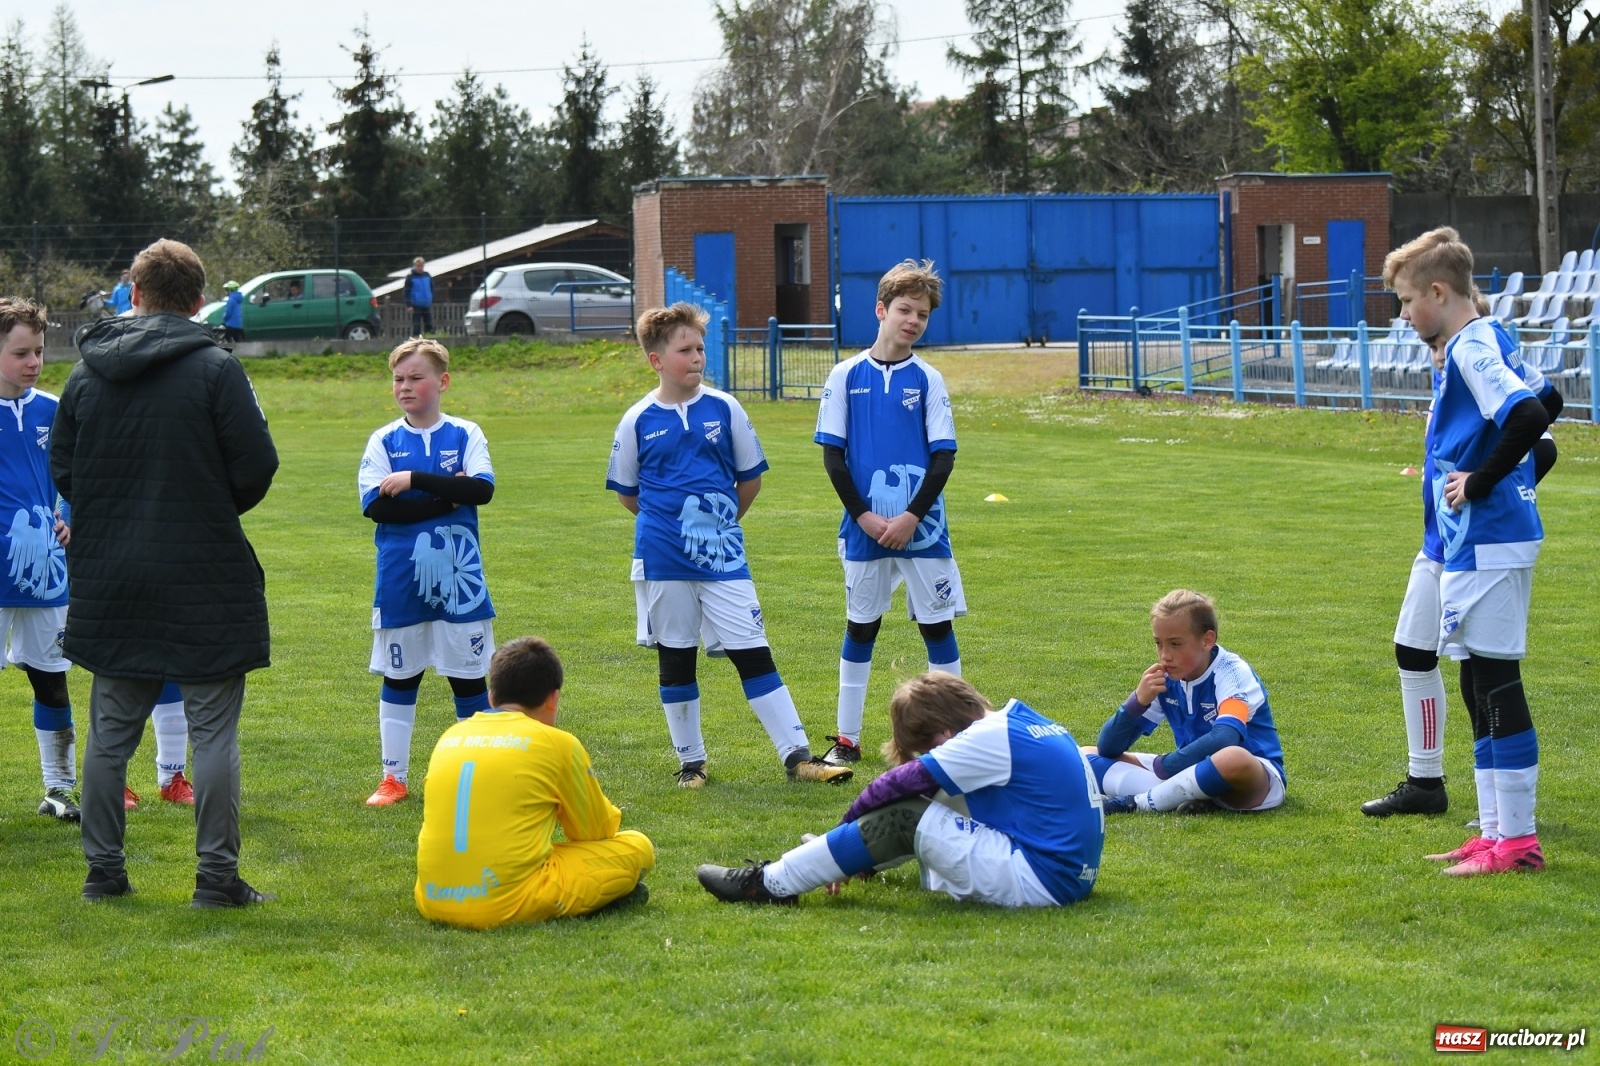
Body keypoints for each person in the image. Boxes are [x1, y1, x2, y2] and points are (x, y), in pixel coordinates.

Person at [51, 238, 279, 906]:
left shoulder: (86, 374)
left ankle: (103, 872)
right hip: (203, 569)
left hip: (112, 573)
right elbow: (256, 464)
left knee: (109, 734)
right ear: (200, 300)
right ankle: (215, 878)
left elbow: (64, 467)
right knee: (213, 733)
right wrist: (209, 506)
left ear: (135, 293)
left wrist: (110, 518)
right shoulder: (216, 369)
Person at [607, 303, 851, 788]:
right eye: (685, 350)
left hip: (725, 558)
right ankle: (691, 764)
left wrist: (716, 528)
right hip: (662, 559)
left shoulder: (726, 408)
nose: (697, 357)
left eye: (700, 348)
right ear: (656, 360)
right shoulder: (636, 420)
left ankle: (799, 757)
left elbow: (749, 481)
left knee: (753, 651)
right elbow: (629, 494)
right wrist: (674, 530)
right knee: (676, 658)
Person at [1380, 228, 1550, 876]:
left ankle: (1519, 843)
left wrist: (1481, 483)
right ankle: (1493, 831)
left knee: (1498, 683)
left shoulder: (1473, 345)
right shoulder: (1478, 341)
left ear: (1438, 292)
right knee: (1478, 682)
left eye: (1406, 301)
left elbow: (1531, 416)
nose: (1403, 314)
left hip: (1492, 540)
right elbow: (1548, 402)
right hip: (1473, 543)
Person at [1362, 306, 1560, 820]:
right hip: (1439, 544)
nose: (1435, 354)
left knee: (1485, 673)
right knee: (1413, 649)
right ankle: (1425, 782)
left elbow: (1543, 440)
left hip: (1474, 544)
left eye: (1437, 344)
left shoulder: (1478, 362)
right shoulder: (1453, 377)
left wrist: (1488, 487)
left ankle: (1501, 816)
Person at [696, 672, 1103, 907]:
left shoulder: (985, 738)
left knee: (906, 814)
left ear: (943, 732)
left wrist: (837, 833)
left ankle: (770, 883)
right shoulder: (1020, 721)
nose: (927, 755)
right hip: (1067, 874)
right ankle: (855, 861)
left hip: (1042, 879)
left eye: (926, 748)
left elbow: (891, 786)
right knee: (936, 796)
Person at [813, 259, 964, 768]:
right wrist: (863, 516)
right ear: (881, 310)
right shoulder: (845, 375)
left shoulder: (928, 379)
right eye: (904, 310)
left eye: (922, 314)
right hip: (864, 530)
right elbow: (834, 456)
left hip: (924, 530)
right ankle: (847, 740)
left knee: (937, 628)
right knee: (861, 627)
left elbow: (943, 457)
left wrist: (911, 517)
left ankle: (956, 740)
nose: (913, 320)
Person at [414, 637, 654, 928]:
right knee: (638, 846)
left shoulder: (450, 736)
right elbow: (594, 831)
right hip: (507, 902)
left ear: (491, 696)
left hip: (432, 898)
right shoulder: (556, 743)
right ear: (553, 699)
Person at [358, 338, 495, 807]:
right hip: (402, 582)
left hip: (460, 586)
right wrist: (447, 498)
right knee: (401, 678)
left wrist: (414, 481)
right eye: (399, 379)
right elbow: (379, 509)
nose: (405, 386)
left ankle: (477, 776)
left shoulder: (466, 433)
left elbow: (481, 491)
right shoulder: (383, 441)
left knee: (469, 680)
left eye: (416, 377)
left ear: (443, 382)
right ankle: (393, 779)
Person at [1089, 590, 1286, 814]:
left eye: (1175, 644)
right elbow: (1108, 748)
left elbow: (1225, 737)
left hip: (1251, 782)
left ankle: (1136, 803)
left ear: (1207, 640)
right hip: (1190, 771)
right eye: (1158, 643)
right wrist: (1137, 702)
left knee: (1233, 757)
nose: (1165, 655)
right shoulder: (1164, 680)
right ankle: (1176, 795)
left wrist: (1166, 766)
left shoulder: (1232, 673)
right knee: (1085, 756)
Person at [0, 298, 79, 821]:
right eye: (20, 353)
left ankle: (59, 791)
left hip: (45, 572)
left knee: (51, 678)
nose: (34, 362)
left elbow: (70, 478)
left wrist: (67, 516)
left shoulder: (53, 409)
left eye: (40, 351)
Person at [403, 258, 434, 338]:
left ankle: (429, 339)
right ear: (415, 266)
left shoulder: (427, 275)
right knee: (416, 325)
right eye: (418, 266)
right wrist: (409, 305)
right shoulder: (410, 277)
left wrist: (431, 298)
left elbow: (432, 288)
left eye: (421, 266)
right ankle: (416, 339)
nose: (420, 268)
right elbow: (406, 292)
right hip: (416, 304)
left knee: (429, 324)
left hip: (426, 304)